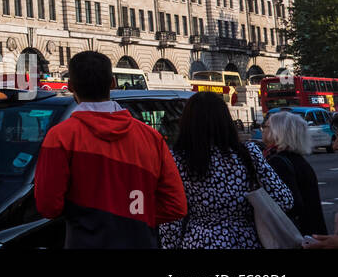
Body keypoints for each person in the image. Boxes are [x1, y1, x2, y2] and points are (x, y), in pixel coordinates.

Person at [35, 51, 186, 248]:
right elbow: (175, 206)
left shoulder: (60, 137)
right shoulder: (151, 137)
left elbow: (48, 207)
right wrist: (135, 213)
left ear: (70, 86)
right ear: (113, 83)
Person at [158, 91, 293, 248]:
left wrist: (170, 245)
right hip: (246, 239)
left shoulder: (177, 160)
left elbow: (172, 217)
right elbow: (284, 199)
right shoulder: (249, 152)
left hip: (200, 240)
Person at [262, 112, 327, 236]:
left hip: (294, 235)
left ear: (277, 132)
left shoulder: (278, 162)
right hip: (312, 232)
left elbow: (289, 204)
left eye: (266, 127)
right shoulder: (299, 161)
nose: (263, 130)